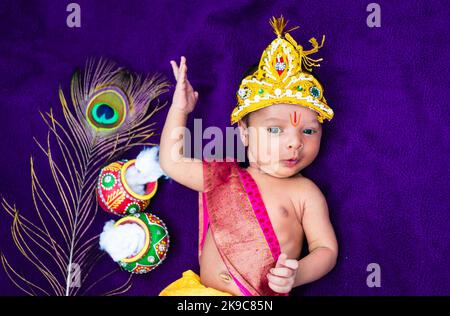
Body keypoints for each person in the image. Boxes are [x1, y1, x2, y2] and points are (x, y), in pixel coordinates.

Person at [158, 16, 338, 296]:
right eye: (276, 129)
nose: (294, 142)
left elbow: (325, 249)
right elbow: (171, 161)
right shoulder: (223, 177)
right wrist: (180, 110)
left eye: (309, 131)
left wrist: (298, 273)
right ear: (244, 133)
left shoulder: (305, 193)